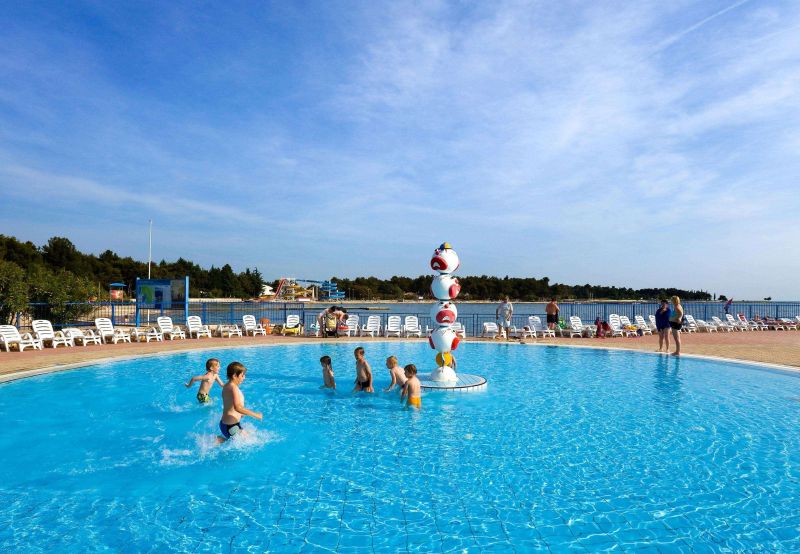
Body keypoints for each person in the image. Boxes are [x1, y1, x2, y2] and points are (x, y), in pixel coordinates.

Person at [219, 361, 262, 442]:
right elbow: (238, 407)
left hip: (225, 424)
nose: (244, 378)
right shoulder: (233, 388)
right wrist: (256, 415)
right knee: (251, 442)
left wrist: (240, 414)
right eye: (242, 375)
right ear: (235, 376)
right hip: (231, 426)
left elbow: (230, 404)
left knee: (246, 437)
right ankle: (218, 440)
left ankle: (220, 440)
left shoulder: (226, 386)